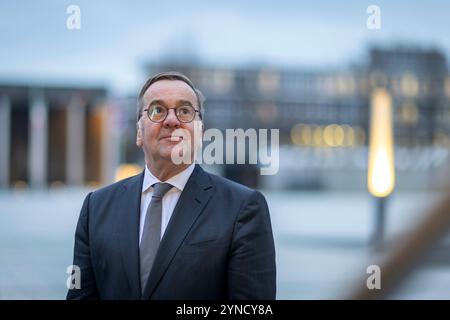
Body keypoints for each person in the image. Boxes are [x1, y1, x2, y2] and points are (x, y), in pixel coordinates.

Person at [66, 71, 276, 300]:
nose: (172, 120)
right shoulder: (96, 207)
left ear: (200, 132)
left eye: (185, 111)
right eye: (158, 110)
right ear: (138, 132)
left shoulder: (242, 208)